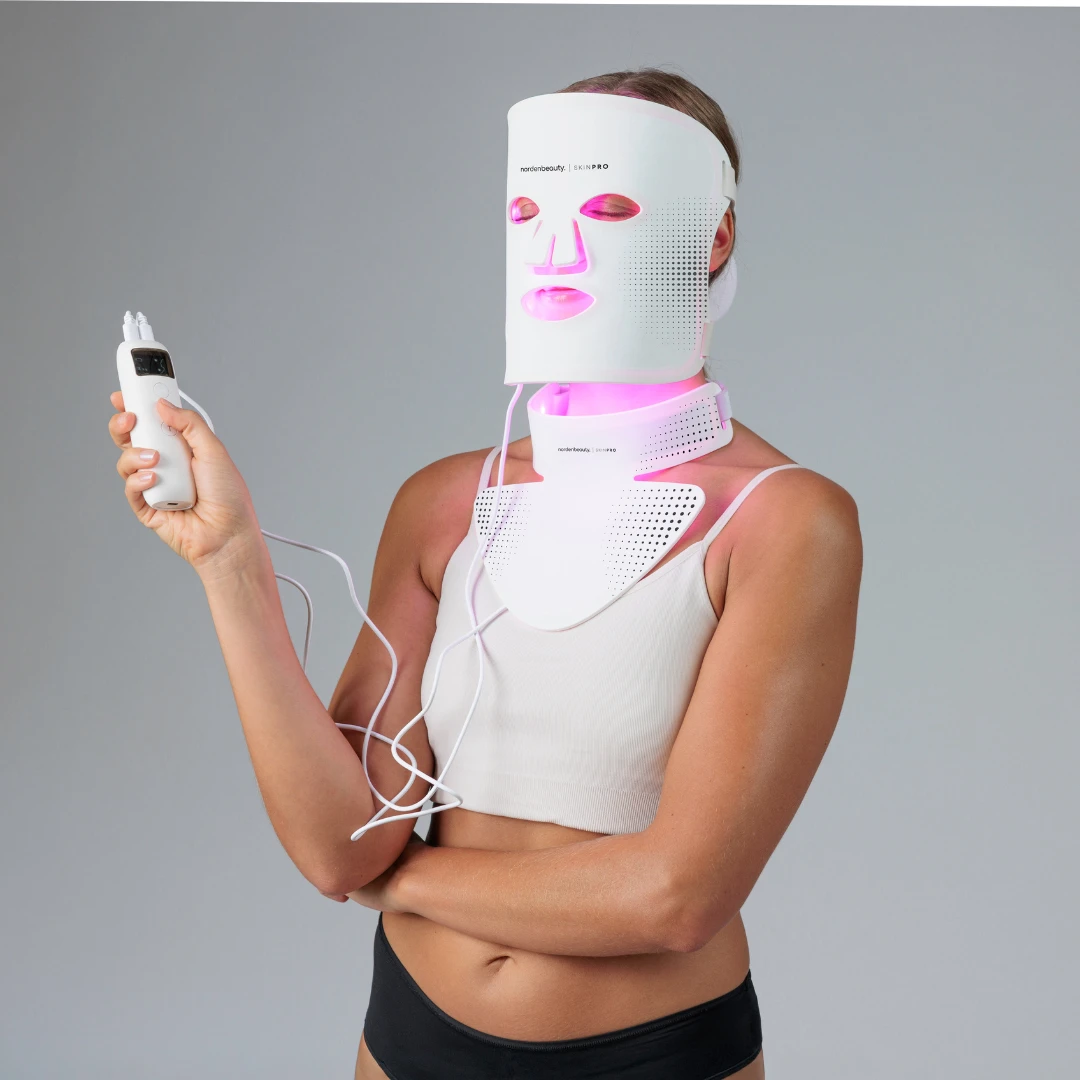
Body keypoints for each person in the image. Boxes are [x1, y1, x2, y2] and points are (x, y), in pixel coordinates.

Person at [108, 69, 862, 1080]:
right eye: (528, 213)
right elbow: (343, 845)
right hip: (410, 1034)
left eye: (607, 209)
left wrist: (405, 883)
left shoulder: (783, 520)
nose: (559, 249)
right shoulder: (445, 502)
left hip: (650, 1053)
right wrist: (229, 561)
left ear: (713, 236)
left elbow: (676, 897)